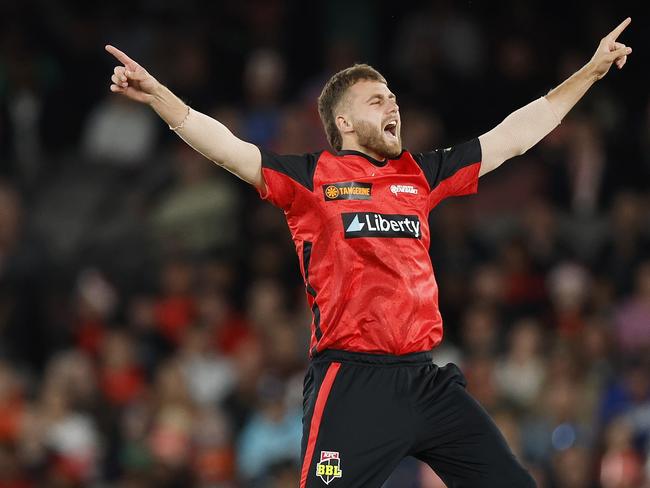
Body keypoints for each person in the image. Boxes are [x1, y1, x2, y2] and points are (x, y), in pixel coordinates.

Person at [105, 17, 632, 488]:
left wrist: (589, 73)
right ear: (344, 124)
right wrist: (160, 98)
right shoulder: (311, 178)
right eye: (376, 99)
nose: (392, 104)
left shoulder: (420, 174)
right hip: (353, 382)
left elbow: (512, 137)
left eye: (393, 97)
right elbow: (227, 147)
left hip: (427, 381)